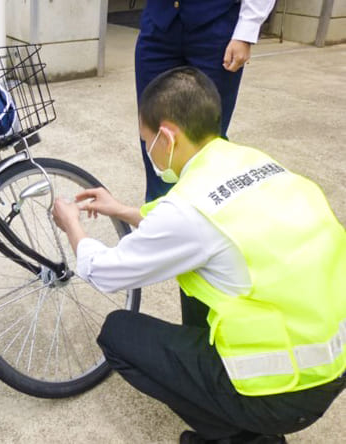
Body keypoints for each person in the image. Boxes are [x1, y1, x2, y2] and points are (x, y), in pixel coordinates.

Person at [52, 66, 346, 443]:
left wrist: (72, 224)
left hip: (286, 392)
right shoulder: (251, 161)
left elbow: (105, 272)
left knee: (118, 333)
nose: (148, 151)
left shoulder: (188, 212)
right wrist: (123, 209)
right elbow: (202, 222)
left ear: (167, 135)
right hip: (332, 362)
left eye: (147, 140)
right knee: (197, 280)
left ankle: (242, 435)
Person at [135, 0, 276, 202]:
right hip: (158, 24)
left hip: (216, 28)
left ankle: (205, 214)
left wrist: (247, 30)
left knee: (206, 134)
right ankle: (159, 214)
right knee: (155, 132)